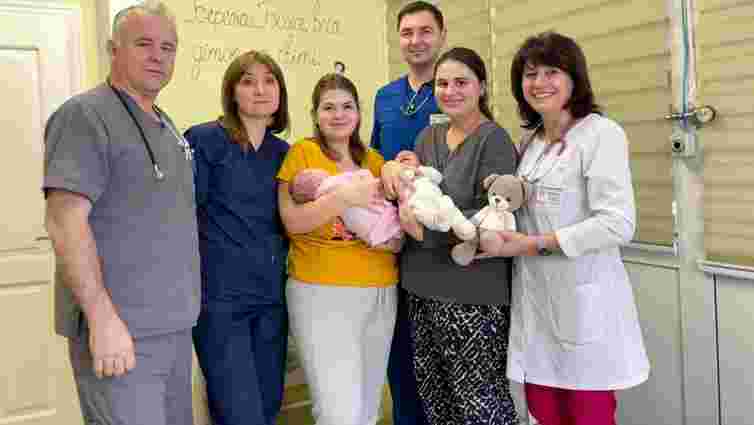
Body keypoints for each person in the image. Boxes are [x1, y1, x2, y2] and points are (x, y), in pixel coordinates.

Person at [43, 2, 199, 425]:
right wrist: (101, 318)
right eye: (144, 44)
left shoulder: (167, 125)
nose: (158, 56)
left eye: (168, 47)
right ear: (114, 49)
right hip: (121, 331)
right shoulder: (84, 116)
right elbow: (64, 221)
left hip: (171, 328)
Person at [490, 31, 650, 425]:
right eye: (530, 74)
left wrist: (533, 244)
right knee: (542, 415)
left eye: (552, 72)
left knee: (587, 415)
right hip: (537, 308)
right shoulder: (530, 143)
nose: (539, 82)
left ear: (574, 78)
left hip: (584, 304)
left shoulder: (600, 134)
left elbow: (618, 223)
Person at [381, 47, 519, 425]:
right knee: (436, 399)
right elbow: (414, 192)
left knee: (479, 403)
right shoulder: (428, 137)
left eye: (461, 82)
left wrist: (425, 231)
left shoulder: (494, 141)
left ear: (481, 88)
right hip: (420, 286)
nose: (451, 91)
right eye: (442, 83)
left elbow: (496, 216)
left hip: (472, 292)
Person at [277, 73, 399, 425]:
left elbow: (396, 227)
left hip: (380, 290)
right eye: (328, 107)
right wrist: (344, 198)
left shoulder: (375, 161)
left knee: (367, 410)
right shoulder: (303, 154)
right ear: (315, 114)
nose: (338, 115)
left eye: (347, 106)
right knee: (337, 412)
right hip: (321, 291)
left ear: (359, 113)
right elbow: (292, 221)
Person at [183, 50, 291, 425]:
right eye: (248, 81)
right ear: (232, 92)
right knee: (239, 412)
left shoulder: (284, 154)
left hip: (271, 299)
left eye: (269, 81)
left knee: (268, 406)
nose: (260, 90)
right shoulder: (204, 141)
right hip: (220, 301)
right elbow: (182, 216)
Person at [371, 3, 446, 423]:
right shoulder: (385, 97)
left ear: (441, 36)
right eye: (407, 32)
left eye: (425, 31)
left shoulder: (452, 90)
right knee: (398, 347)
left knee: (436, 353)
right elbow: (372, 157)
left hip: (436, 239)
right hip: (392, 240)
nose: (416, 40)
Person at [289, 167, 404, 251]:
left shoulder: (320, 204)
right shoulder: (336, 180)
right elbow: (364, 175)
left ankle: (389, 241)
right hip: (379, 212)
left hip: (361, 225)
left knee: (365, 230)